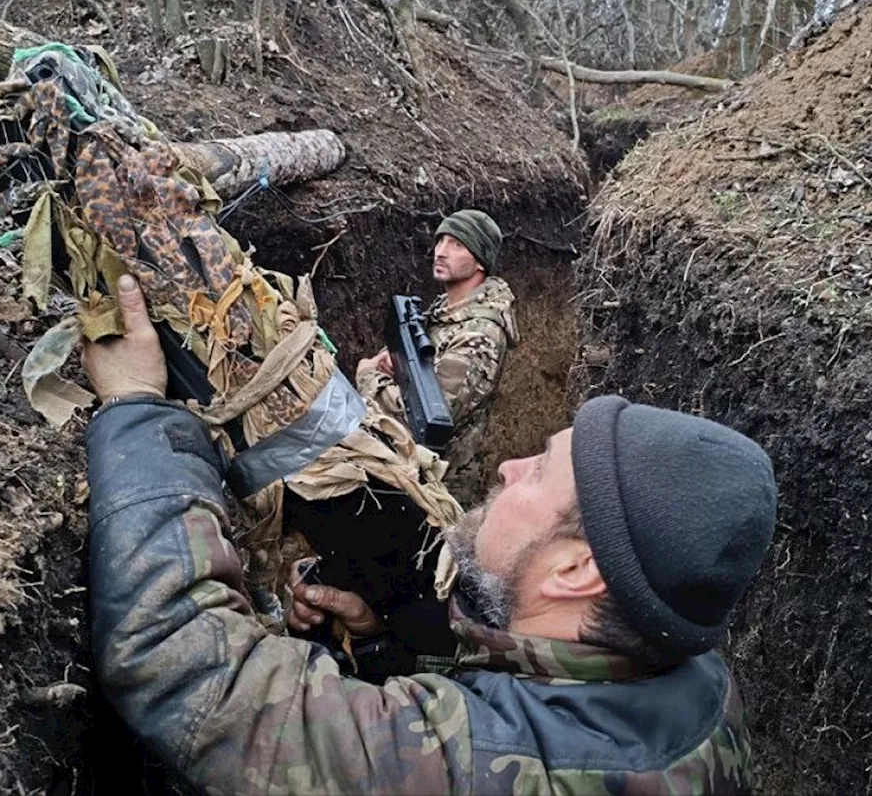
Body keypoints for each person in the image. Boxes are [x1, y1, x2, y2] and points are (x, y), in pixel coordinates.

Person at [83, 275, 776, 795]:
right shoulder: (699, 681)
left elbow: (178, 658)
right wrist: (385, 643)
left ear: (575, 570)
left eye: (537, 473)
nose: (508, 466)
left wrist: (136, 411)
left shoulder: (469, 768)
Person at [357, 209, 518, 501]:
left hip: (441, 490)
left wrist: (368, 377)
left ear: (480, 261)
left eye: (457, 245)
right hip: (409, 475)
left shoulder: (480, 336)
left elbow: (426, 420)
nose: (441, 252)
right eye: (440, 240)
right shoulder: (446, 309)